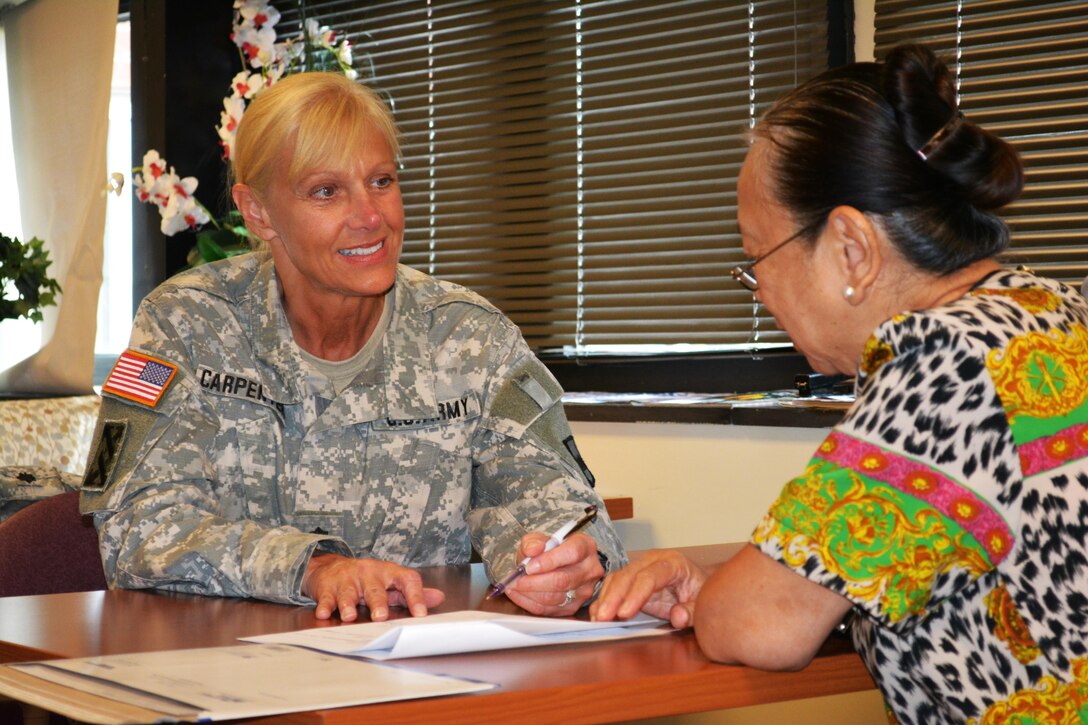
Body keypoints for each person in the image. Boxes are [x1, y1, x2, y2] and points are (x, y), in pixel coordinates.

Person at [591, 43, 1088, 724]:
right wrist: (725, 587)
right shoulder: (1053, 312)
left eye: (756, 257)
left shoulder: (944, 362)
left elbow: (763, 624)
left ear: (852, 249)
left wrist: (720, 598)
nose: (759, 290)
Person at [80, 71, 625, 623]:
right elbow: (136, 524)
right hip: (229, 677)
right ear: (258, 212)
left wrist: (558, 560)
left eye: (382, 181)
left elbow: (568, 509)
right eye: (326, 191)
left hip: (415, 674)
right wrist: (309, 568)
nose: (371, 217)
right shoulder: (183, 325)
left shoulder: (472, 338)